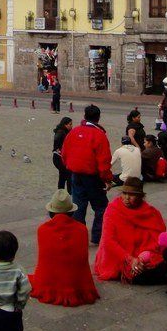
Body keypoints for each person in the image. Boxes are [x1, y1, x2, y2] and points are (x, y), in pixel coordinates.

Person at [28, 190, 99, 307]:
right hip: (78, 285)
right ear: (71, 212)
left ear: (51, 212)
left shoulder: (42, 230)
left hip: (48, 283)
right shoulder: (82, 230)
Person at [94, 177, 167, 284]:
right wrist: (130, 259)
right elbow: (108, 241)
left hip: (142, 254)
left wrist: (142, 257)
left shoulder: (151, 212)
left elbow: (158, 239)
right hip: (118, 256)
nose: (127, 198)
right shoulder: (113, 209)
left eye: (132, 194)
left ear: (140, 196)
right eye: (124, 193)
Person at [60, 104, 112, 246]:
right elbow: (104, 160)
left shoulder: (74, 132)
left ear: (84, 116)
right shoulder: (99, 135)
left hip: (75, 175)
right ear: (98, 118)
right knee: (101, 207)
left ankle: (79, 237)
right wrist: (108, 179)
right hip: (93, 177)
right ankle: (97, 236)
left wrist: (70, 167)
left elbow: (64, 153)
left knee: (78, 206)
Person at [52, 117, 73, 191]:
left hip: (61, 157)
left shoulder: (65, 131)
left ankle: (61, 192)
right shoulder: (61, 132)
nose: (71, 126)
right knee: (67, 175)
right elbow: (56, 139)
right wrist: (57, 148)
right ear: (65, 124)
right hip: (59, 158)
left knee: (63, 175)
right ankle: (67, 192)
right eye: (70, 124)